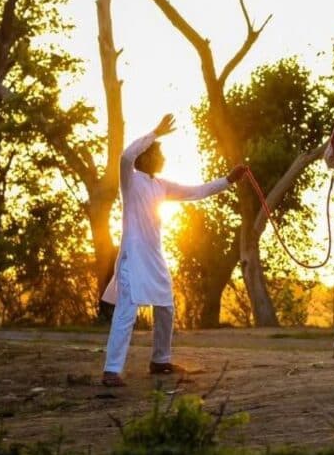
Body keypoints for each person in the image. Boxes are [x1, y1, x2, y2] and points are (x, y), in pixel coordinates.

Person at [101, 114, 247, 387]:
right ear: (146, 156)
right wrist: (154, 133)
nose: (163, 158)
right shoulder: (130, 180)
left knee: (166, 307)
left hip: (154, 258)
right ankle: (111, 370)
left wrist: (228, 180)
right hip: (133, 258)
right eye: (159, 154)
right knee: (126, 313)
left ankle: (160, 360)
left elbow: (196, 192)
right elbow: (126, 156)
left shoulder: (160, 185)